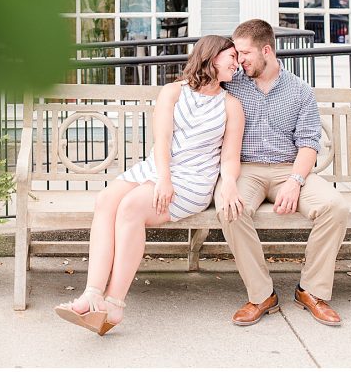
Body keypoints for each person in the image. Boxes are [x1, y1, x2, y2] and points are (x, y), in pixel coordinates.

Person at [54, 35, 245, 334]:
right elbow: (163, 140)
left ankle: (114, 303)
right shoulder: (172, 92)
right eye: (232, 56)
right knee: (106, 200)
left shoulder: (231, 105)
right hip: (160, 170)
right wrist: (163, 179)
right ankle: (92, 293)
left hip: (193, 181)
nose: (238, 63)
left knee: (130, 208)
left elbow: (230, 157)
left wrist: (230, 182)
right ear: (211, 56)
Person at [218, 19, 349, 327]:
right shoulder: (231, 83)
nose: (239, 60)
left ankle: (311, 292)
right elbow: (194, 84)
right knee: (230, 209)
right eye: (236, 54)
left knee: (334, 207)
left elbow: (308, 145)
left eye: (245, 53)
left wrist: (295, 181)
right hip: (245, 169)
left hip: (288, 169)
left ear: (267, 50)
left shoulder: (300, 91)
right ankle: (262, 295)